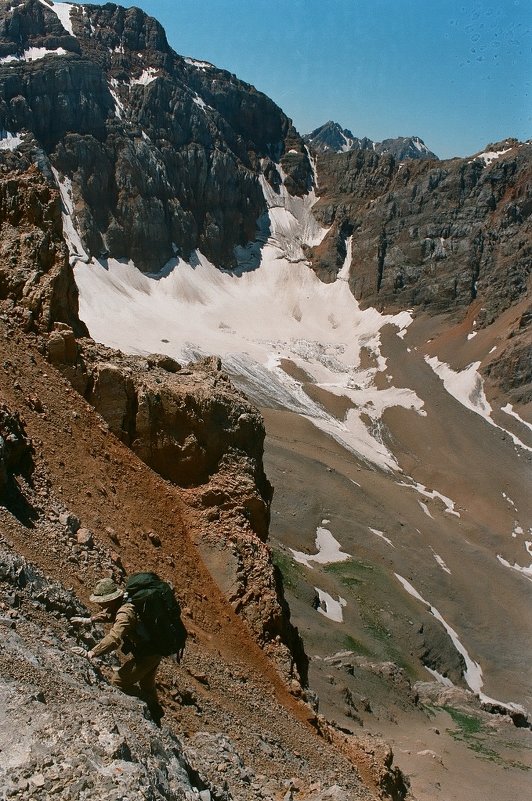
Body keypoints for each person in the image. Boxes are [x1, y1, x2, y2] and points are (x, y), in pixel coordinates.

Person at [72, 577, 163, 723]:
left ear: (111, 599)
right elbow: (110, 614)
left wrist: (91, 653)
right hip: (155, 649)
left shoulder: (125, 612)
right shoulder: (126, 600)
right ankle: (156, 717)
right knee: (147, 685)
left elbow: (114, 638)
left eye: (102, 602)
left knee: (118, 682)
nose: (100, 605)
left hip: (148, 655)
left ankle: (151, 706)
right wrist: (89, 620)